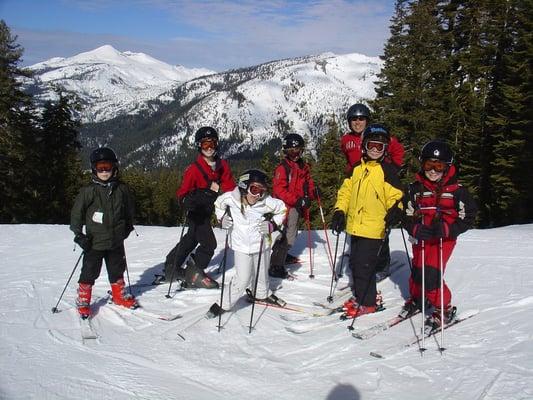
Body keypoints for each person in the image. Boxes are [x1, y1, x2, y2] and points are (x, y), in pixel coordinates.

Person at [400, 140, 477, 328]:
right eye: (429, 165)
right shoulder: (415, 189)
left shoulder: (457, 192)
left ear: (447, 167)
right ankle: (418, 298)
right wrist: (414, 228)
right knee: (417, 269)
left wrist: (448, 229)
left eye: (439, 166)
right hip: (421, 236)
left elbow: (469, 216)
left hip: (443, 239)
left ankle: (444, 308)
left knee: (432, 275)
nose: (433, 171)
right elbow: (406, 214)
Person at [331, 124, 404, 319]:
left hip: (374, 229)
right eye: (371, 145)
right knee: (355, 263)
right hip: (355, 227)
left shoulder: (387, 171)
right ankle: (365, 295)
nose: (374, 150)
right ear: (364, 146)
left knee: (364, 266)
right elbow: (345, 192)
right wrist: (339, 211)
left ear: (385, 150)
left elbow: (396, 196)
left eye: (379, 147)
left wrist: (396, 210)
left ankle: (368, 303)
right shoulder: (356, 169)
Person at [207, 169, 287, 317]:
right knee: (243, 278)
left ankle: (261, 294)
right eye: (254, 189)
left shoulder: (265, 202)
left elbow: (282, 209)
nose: (257, 195)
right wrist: (222, 218)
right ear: (244, 186)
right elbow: (218, 204)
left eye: (261, 191)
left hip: (262, 244)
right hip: (241, 246)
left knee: (262, 272)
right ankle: (224, 303)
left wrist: (272, 225)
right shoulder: (231, 198)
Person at [163, 126, 236, 289]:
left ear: (217, 144)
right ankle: (194, 272)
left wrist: (235, 201)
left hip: (208, 210)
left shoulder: (221, 165)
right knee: (209, 244)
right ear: (199, 146)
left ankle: (171, 266)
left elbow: (230, 186)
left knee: (192, 238)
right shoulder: (194, 170)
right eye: (205, 145)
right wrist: (189, 201)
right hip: (196, 212)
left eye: (212, 144)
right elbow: (182, 194)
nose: (209, 148)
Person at [340, 103, 405, 278]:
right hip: (358, 181)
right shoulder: (346, 140)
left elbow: (398, 151)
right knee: (358, 223)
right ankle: (358, 257)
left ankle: (382, 264)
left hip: (379, 182)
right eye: (354, 119)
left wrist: (392, 169)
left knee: (380, 226)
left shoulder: (380, 136)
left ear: (367, 120)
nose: (357, 122)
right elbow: (349, 159)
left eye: (361, 118)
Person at [70, 147, 137, 318]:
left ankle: (118, 295)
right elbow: (76, 215)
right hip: (94, 241)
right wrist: (79, 236)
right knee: (90, 270)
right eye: (100, 168)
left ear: (114, 167)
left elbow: (129, 211)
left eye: (107, 167)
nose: (104, 171)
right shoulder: (89, 191)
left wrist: (127, 228)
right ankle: (84, 298)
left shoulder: (121, 190)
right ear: (94, 169)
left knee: (117, 268)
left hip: (116, 240)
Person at [269, 133, 318, 279]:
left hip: (295, 206)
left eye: (298, 150)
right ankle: (275, 265)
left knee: (292, 233)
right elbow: (279, 189)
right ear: (286, 151)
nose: (295, 154)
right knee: (286, 236)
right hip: (284, 207)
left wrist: (313, 192)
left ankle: (283, 255)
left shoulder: (303, 166)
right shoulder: (283, 168)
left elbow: (308, 183)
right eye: (291, 151)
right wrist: (297, 200)